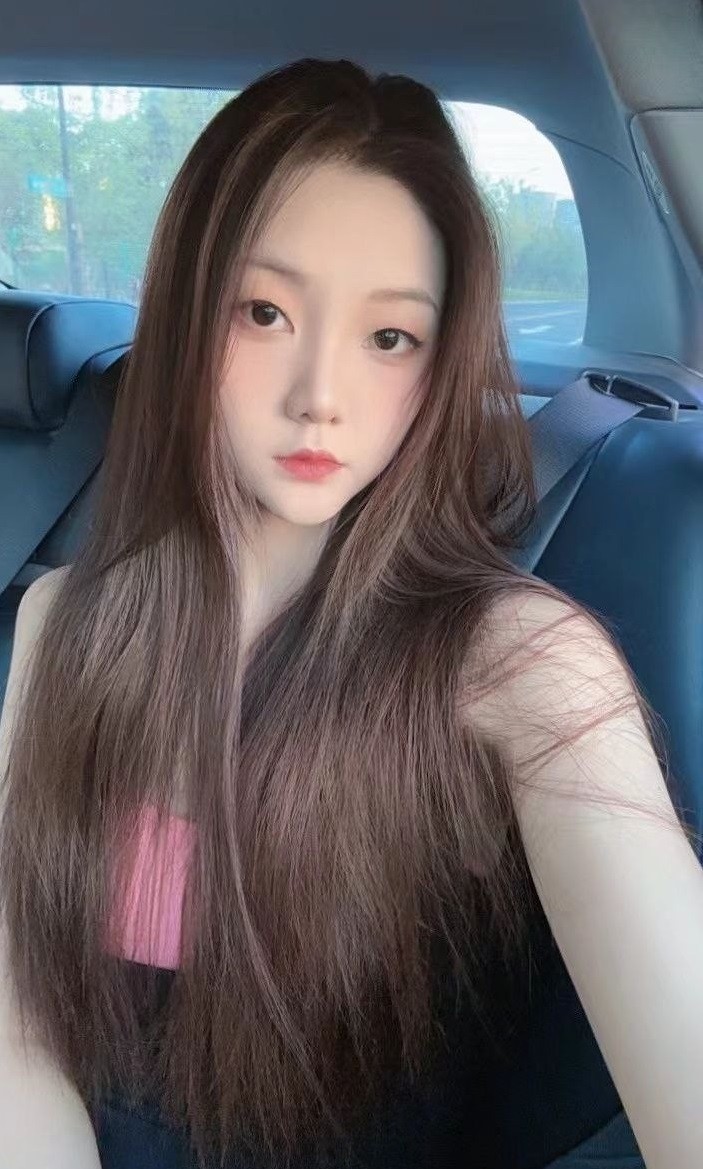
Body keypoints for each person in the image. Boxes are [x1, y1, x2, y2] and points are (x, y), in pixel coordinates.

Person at [0, 56, 702, 1169]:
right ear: (184, 316)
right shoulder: (60, 624)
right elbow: (15, 1029)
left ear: (439, 360)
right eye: (264, 312)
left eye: (388, 337)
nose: (318, 395)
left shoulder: (519, 665)